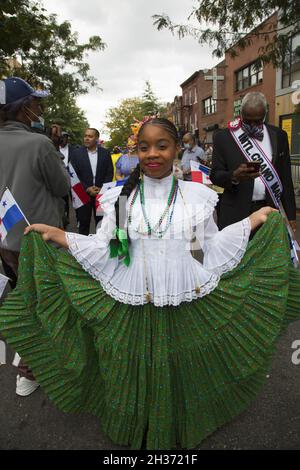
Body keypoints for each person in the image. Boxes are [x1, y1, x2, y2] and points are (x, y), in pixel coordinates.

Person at [0, 118, 299, 450]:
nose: (152, 154)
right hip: (134, 308)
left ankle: (176, 422)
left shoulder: (194, 197)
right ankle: (140, 424)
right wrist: (60, 235)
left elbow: (202, 253)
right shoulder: (123, 201)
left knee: (178, 368)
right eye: (144, 147)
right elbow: (112, 251)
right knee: (134, 368)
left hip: (184, 305)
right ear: (136, 151)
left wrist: (250, 223)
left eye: (162, 145)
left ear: (176, 150)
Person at [0, 76, 70, 396]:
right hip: (42, 240)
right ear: (23, 108)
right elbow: (62, 187)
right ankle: (34, 367)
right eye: (35, 103)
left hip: (7, 242)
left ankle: (28, 363)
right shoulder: (38, 143)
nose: (39, 109)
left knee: (25, 298)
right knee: (46, 303)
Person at [210, 92, 296, 231]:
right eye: (247, 120)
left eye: (257, 121)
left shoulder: (279, 136)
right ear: (241, 114)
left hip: (268, 211)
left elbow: (285, 177)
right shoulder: (223, 138)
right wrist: (234, 176)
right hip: (235, 213)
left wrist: (291, 214)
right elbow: (215, 175)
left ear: (264, 115)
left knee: (267, 253)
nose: (252, 125)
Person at [70, 128, 113, 235]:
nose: (87, 138)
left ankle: (100, 247)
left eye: (90, 136)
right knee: (83, 223)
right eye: (85, 136)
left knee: (101, 223)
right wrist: (87, 188)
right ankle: (83, 249)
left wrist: (102, 188)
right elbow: (74, 175)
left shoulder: (105, 153)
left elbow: (109, 172)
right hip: (83, 195)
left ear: (97, 139)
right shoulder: (76, 154)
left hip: (101, 195)